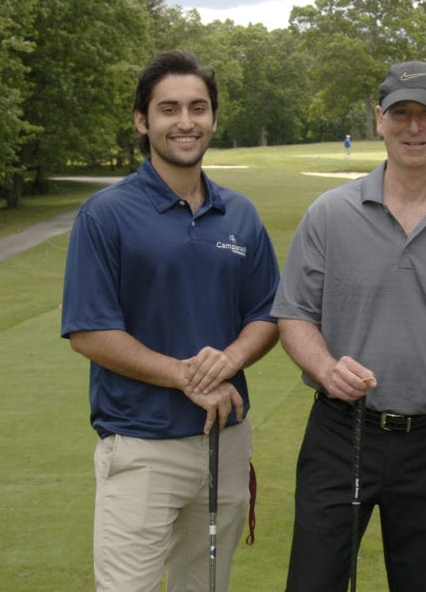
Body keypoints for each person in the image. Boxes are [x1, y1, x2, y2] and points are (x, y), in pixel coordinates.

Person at [273, 60, 426, 591]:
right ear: (379, 120)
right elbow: (295, 314)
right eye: (400, 114)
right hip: (340, 432)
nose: (413, 127)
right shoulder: (329, 214)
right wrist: (326, 369)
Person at [61, 50, 281, 591]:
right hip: (141, 445)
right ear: (143, 121)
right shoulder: (106, 213)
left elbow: (267, 313)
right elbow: (89, 331)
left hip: (226, 443)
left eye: (198, 108)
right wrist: (186, 376)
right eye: (169, 109)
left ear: (213, 118)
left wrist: (229, 359)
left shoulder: (240, 214)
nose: (186, 122)